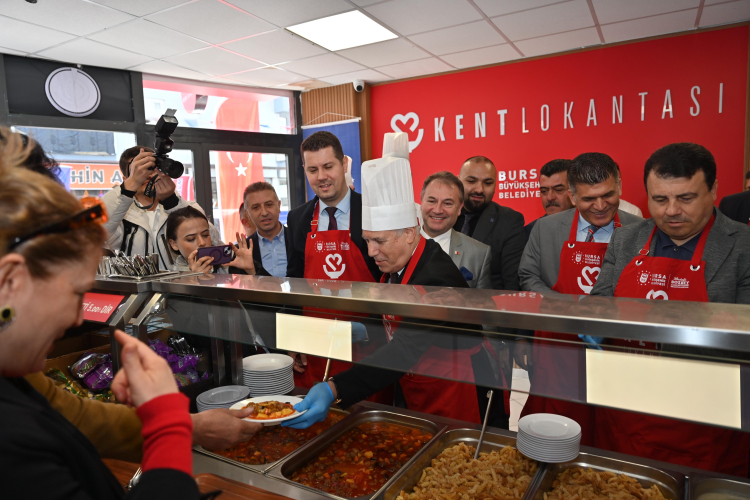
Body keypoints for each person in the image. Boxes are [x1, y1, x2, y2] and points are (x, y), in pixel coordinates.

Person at [0, 129, 198, 499]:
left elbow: (75, 416)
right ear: (10, 281)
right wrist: (168, 422)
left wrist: (189, 425)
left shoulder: (16, 375)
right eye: (76, 292)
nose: (77, 318)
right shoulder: (11, 446)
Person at [284, 132, 497, 428]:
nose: (372, 252)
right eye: (367, 241)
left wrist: (334, 388)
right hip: (419, 384)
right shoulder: (395, 267)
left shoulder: (435, 278)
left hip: (459, 389)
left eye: (380, 241)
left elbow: (403, 351)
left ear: (409, 234)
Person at [590, 143, 750, 475]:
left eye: (686, 198)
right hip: (627, 406)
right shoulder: (626, 240)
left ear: (713, 190)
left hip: (704, 415)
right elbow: (601, 301)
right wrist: (596, 324)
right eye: (660, 200)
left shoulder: (742, 246)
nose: (672, 211)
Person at [517, 152, 642, 445]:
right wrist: (569, 309)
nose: (600, 206)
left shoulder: (640, 230)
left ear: (620, 186)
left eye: (608, 195)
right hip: (558, 344)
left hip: (614, 347)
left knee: (613, 428)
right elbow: (528, 277)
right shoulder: (546, 228)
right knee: (559, 428)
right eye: (588, 199)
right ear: (572, 196)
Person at [285, 131, 380, 388]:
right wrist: (291, 337)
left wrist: (369, 331)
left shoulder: (372, 212)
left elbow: (391, 283)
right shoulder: (297, 219)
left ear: (344, 164)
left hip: (367, 346)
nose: (321, 176)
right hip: (315, 347)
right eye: (313, 169)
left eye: (328, 166)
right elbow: (294, 283)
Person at [102, 146, 220, 270]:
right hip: (137, 283)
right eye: (139, 170)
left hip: (182, 282)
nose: (147, 175)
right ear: (125, 180)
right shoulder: (121, 218)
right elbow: (98, 232)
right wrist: (129, 186)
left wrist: (172, 203)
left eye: (151, 168)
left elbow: (213, 241)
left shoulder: (187, 207)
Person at [454, 156, 526, 291]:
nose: (479, 189)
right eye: (471, 181)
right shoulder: (442, 215)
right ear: (458, 182)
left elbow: (512, 283)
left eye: (487, 183)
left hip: (489, 301)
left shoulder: (510, 220)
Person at [420, 171, 492, 289]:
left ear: (459, 208)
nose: (438, 210)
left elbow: (482, 299)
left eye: (447, 203)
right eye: (432, 201)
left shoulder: (479, 254)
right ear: (421, 201)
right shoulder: (396, 245)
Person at [166, 206, 257, 275]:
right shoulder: (173, 279)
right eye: (191, 239)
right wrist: (196, 281)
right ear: (174, 244)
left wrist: (251, 271)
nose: (202, 242)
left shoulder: (229, 263)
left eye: (205, 235)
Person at [243, 182, 291, 278]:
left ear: (279, 206)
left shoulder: (299, 239)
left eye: (269, 205)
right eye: (256, 207)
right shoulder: (244, 251)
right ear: (247, 214)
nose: (264, 213)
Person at [525, 159, 575, 237]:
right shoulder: (530, 232)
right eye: (544, 191)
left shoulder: (592, 226)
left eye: (559, 190)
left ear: (575, 191)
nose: (550, 197)